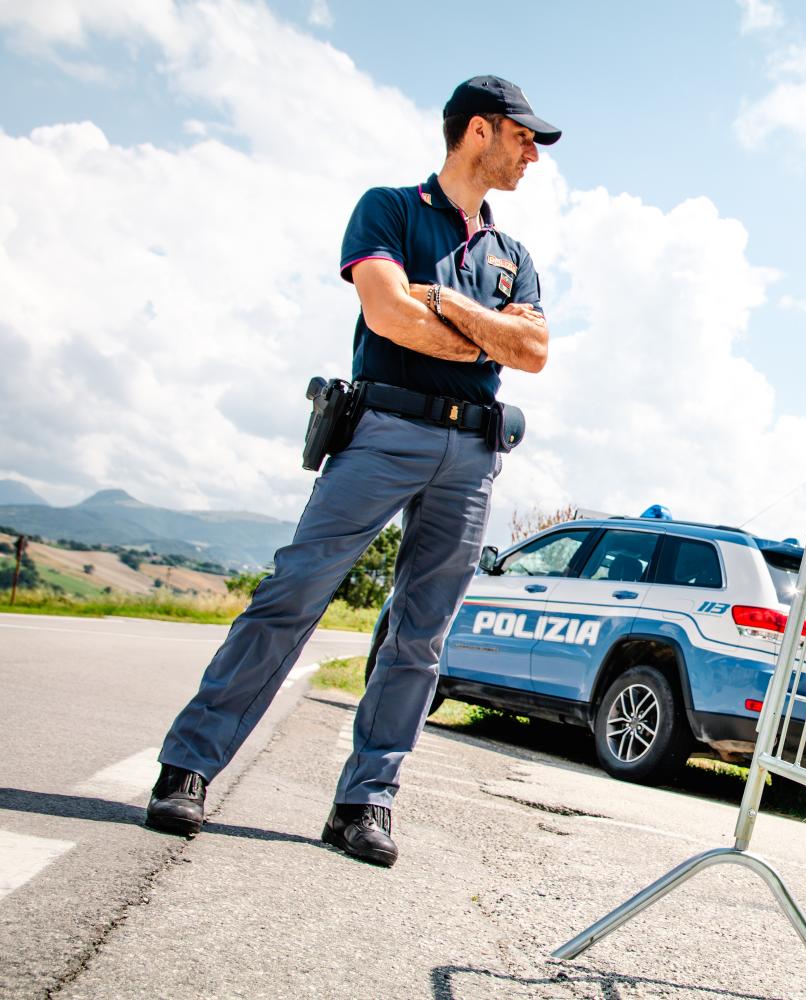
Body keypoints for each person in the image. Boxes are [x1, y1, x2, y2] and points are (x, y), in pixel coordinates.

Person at [145, 75, 560, 867]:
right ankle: (189, 768)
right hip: (383, 431)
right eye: (522, 136)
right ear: (479, 130)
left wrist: (446, 306)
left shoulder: (513, 255)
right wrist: (486, 335)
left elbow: (534, 352)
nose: (531, 152)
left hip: (472, 454)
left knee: (421, 638)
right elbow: (386, 314)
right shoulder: (388, 209)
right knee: (291, 596)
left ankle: (364, 805)